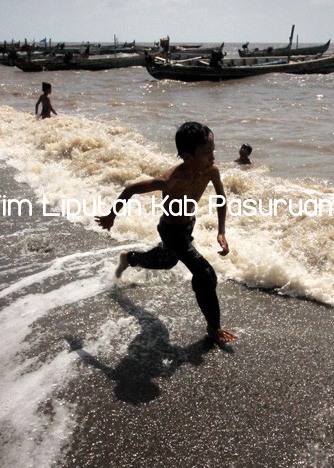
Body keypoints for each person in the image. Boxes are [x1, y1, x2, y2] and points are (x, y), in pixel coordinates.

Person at [95, 121, 238, 345]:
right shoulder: (170, 180)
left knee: (166, 261)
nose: (213, 157)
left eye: (214, 150)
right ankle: (213, 328)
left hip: (187, 226)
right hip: (171, 230)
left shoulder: (211, 170)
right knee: (205, 274)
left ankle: (129, 258)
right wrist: (112, 215)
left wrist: (222, 231)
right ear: (188, 156)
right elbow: (132, 188)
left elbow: (221, 198)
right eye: (207, 152)